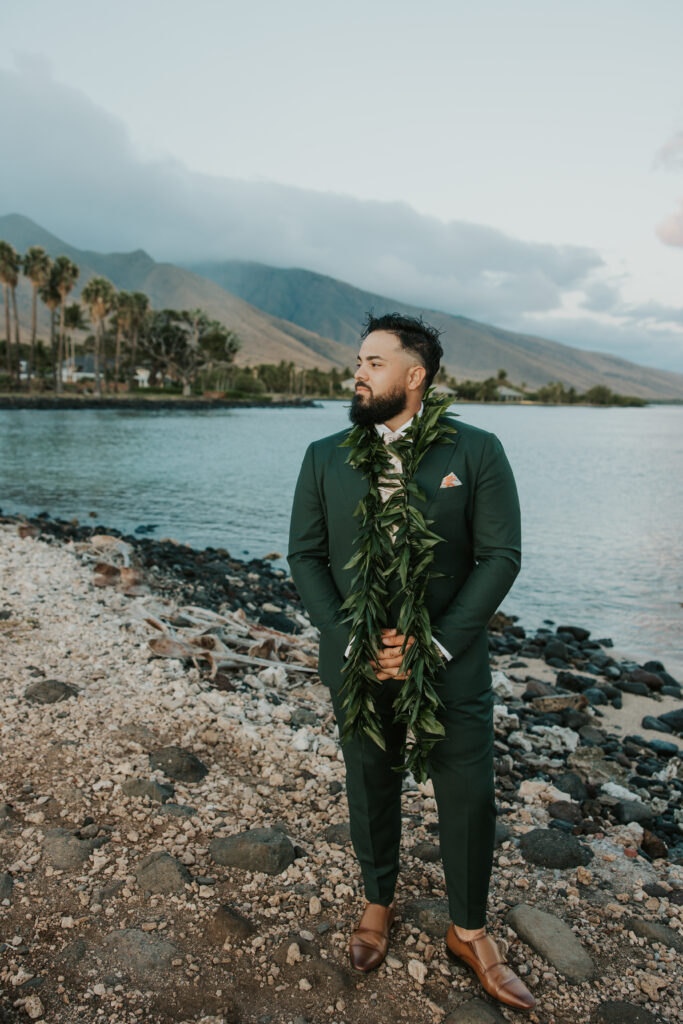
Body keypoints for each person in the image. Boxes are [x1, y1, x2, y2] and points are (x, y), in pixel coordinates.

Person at [287, 312, 535, 1011]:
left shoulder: (476, 451)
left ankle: (469, 929)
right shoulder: (322, 456)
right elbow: (304, 556)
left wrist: (433, 641)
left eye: (371, 362)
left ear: (413, 375)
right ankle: (376, 902)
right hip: (355, 660)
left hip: (449, 661)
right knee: (367, 778)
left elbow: (500, 557)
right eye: (357, 362)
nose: (356, 373)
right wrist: (352, 636)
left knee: (468, 791)